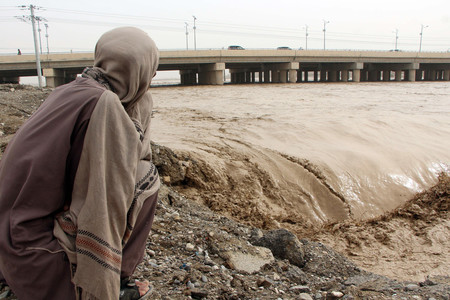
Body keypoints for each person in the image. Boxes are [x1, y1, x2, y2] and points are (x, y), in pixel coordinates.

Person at [0, 27, 160, 300]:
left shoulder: (70, 90)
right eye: (151, 71)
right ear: (141, 71)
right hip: (35, 257)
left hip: (9, 241)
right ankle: (99, 284)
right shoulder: (104, 105)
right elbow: (105, 204)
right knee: (146, 178)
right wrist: (101, 286)